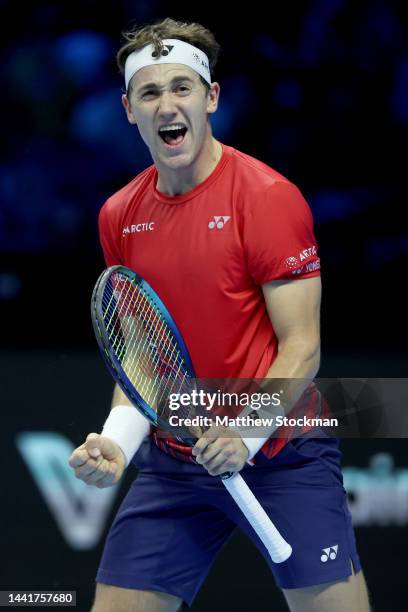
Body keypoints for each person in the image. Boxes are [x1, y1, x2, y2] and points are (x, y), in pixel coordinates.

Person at [69, 17, 371, 612]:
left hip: (283, 452)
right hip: (175, 462)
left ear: (211, 98)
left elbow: (302, 347)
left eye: (182, 87)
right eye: (150, 92)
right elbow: (142, 356)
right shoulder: (118, 215)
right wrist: (117, 444)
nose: (167, 104)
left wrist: (246, 432)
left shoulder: (266, 198)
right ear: (129, 109)